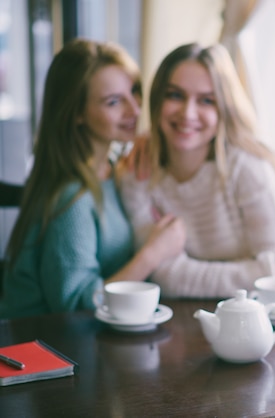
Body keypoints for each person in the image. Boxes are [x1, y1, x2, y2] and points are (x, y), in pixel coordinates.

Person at [0, 38, 185, 319]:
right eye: (114, 102)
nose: (135, 110)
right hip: (38, 348)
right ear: (76, 114)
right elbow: (75, 306)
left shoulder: (110, 168)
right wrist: (152, 254)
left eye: (134, 91)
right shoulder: (72, 197)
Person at [118, 43, 275, 298]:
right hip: (178, 324)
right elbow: (163, 276)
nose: (188, 113)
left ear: (224, 108)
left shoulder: (249, 168)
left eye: (206, 100)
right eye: (175, 95)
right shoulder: (138, 169)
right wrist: (263, 273)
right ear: (157, 100)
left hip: (255, 321)